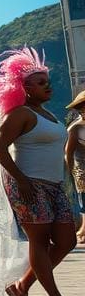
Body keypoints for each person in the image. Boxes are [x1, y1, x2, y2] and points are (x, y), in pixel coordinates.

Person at [0, 48, 85, 296]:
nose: (48, 85)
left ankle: (21, 287)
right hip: (28, 184)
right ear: (24, 87)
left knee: (67, 240)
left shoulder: (49, 116)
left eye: (47, 81)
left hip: (54, 185)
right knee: (39, 240)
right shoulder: (20, 114)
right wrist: (21, 179)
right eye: (40, 82)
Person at [67, 90, 85, 246]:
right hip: (82, 172)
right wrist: (70, 172)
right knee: (84, 203)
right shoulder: (75, 128)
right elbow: (69, 152)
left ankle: (82, 230)